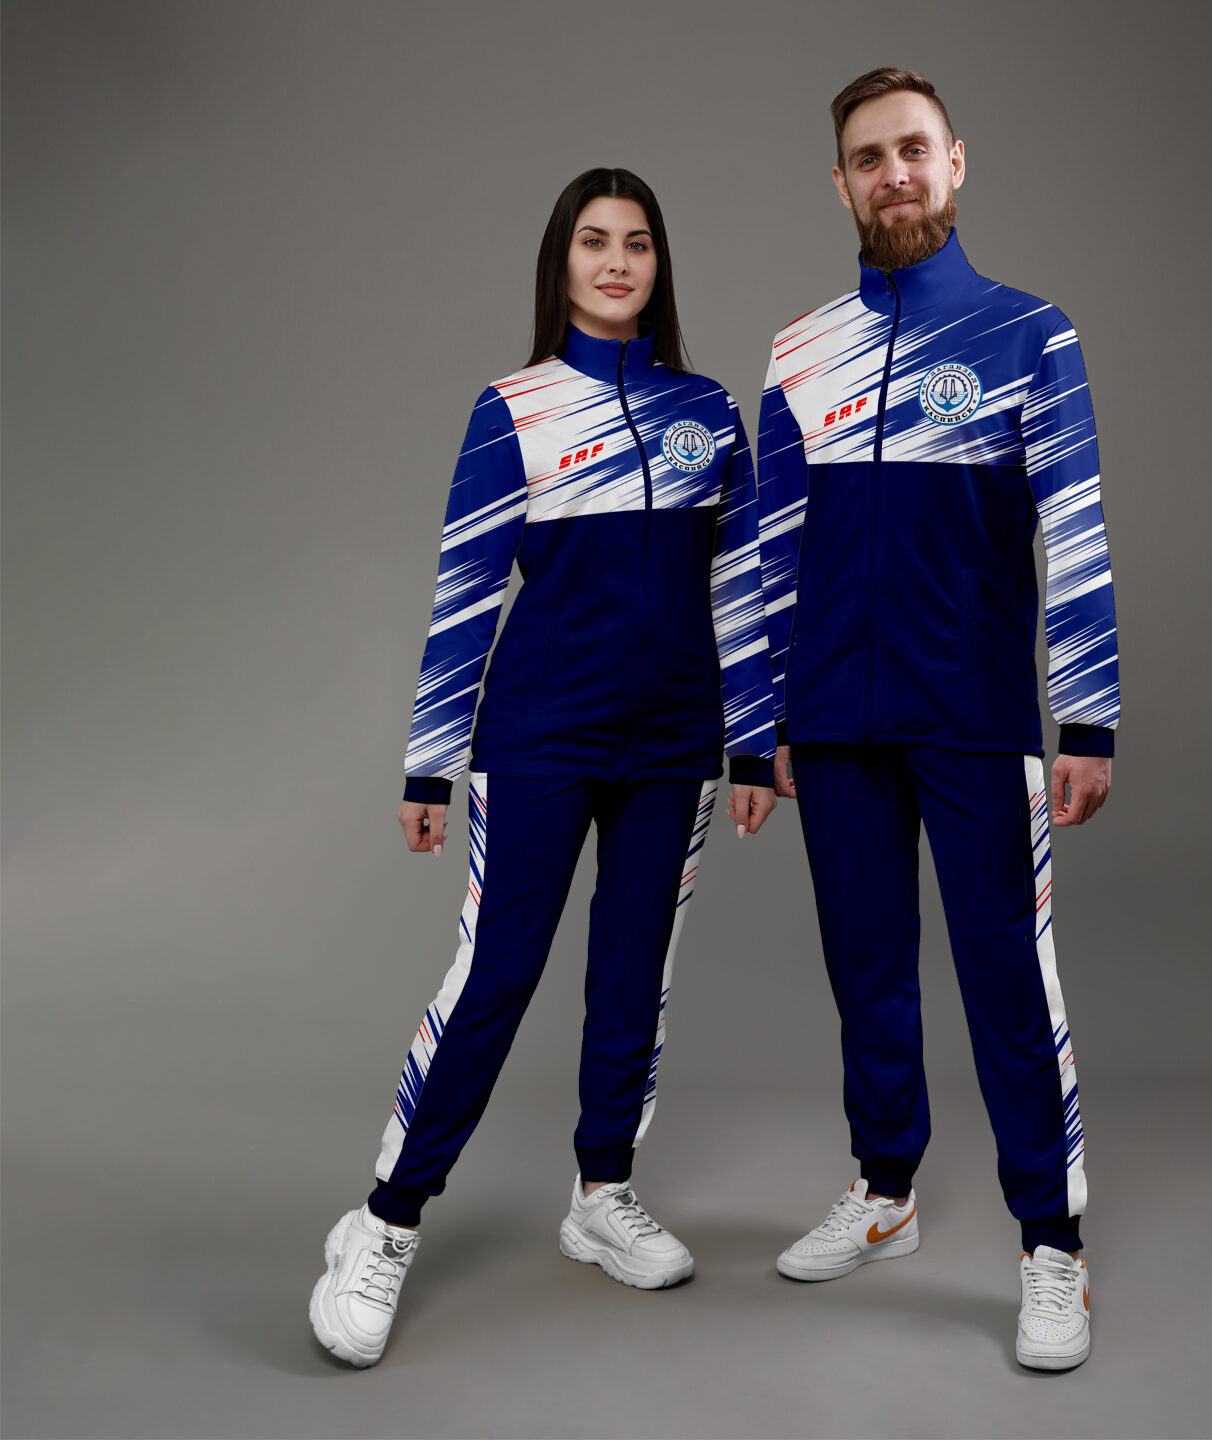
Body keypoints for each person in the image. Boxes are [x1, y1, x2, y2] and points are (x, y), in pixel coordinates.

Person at [309, 168, 778, 1368]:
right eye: (594, 241)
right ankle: (384, 1220)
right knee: (498, 973)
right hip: (539, 736)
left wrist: (752, 739)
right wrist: (429, 767)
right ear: (561, 262)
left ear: (659, 265)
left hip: (674, 741)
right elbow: (465, 592)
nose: (617, 261)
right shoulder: (513, 408)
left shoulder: (708, 411)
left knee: (634, 969)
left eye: (637, 243)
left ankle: (602, 1194)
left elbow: (740, 585)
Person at [754, 69, 1119, 1371]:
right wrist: (764, 719)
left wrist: (1088, 718)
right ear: (841, 184)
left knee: (1009, 981)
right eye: (868, 158)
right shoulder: (799, 352)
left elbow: (1074, 531)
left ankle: (1052, 1248)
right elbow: (769, 551)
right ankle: (885, 1191)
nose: (893, 174)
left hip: (972, 714)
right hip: (831, 722)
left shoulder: (1031, 335)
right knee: (867, 971)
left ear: (956, 163)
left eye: (912, 149)